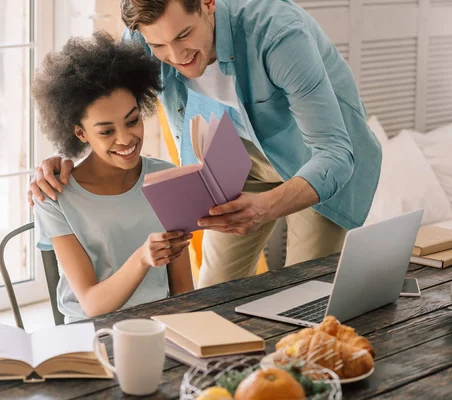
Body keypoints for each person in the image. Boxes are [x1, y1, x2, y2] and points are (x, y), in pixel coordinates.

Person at [29, 0, 382, 289]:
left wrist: (265, 206)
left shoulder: (277, 33)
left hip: (316, 161)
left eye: (184, 35)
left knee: (305, 291)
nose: (177, 55)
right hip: (239, 157)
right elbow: (95, 101)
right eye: (159, 46)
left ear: (208, 4)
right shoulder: (141, 39)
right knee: (215, 292)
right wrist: (65, 155)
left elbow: (335, 154)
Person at [31, 32, 194, 323]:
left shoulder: (168, 179)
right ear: (80, 133)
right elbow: (92, 305)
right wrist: (143, 258)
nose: (126, 139)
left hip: (162, 327)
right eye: (106, 131)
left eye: (132, 121)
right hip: (92, 333)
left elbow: (183, 293)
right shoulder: (55, 196)